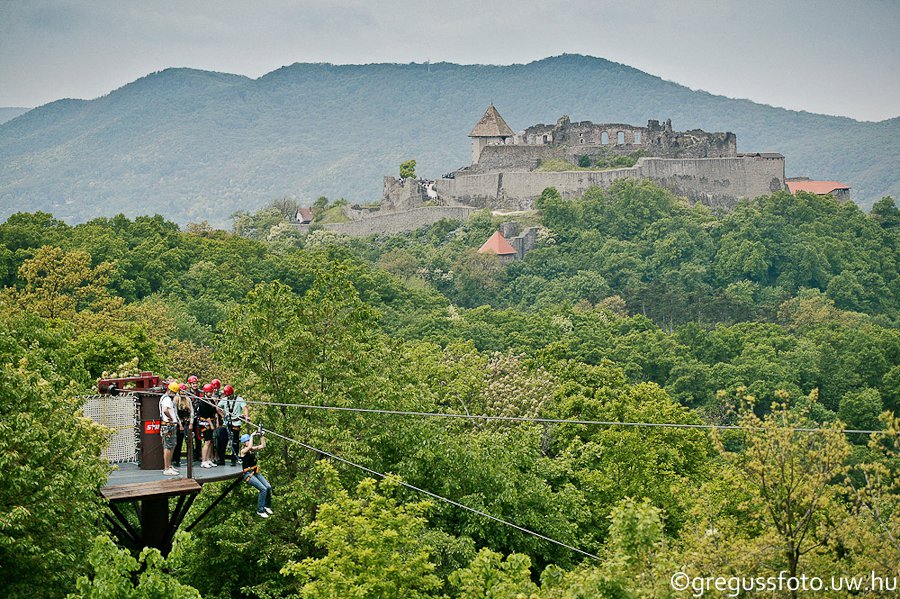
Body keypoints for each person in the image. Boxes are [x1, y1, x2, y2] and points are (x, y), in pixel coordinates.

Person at [240, 432, 273, 518]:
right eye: (247, 441)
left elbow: (263, 446)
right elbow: (249, 447)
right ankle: (260, 510)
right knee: (263, 489)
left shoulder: (252, 450)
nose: (249, 442)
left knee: (268, 487)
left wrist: (262, 436)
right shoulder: (243, 451)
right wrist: (252, 435)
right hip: (248, 474)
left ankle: (267, 506)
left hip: (255, 472)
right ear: (244, 443)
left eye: (249, 440)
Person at [216, 384, 249, 466]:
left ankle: (234, 460)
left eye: (230, 395)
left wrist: (246, 416)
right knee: (222, 440)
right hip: (227, 422)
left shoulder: (239, 399)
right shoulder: (224, 400)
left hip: (236, 422)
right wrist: (222, 415)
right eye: (227, 395)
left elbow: (245, 408)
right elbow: (217, 407)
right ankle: (221, 459)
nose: (229, 396)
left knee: (235, 442)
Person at [159, 381, 181, 476]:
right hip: (168, 425)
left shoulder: (165, 398)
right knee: (168, 447)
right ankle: (166, 468)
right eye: (174, 393)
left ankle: (169, 465)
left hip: (170, 425)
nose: (175, 395)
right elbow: (165, 410)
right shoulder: (167, 399)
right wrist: (171, 418)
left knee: (172, 445)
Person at [196, 383, 219, 468]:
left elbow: (214, 411)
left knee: (210, 442)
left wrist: (216, 421)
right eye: (209, 392)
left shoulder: (211, 400)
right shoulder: (203, 402)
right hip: (205, 423)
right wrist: (211, 425)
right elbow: (206, 415)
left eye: (211, 392)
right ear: (205, 392)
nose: (210, 393)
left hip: (211, 421)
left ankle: (208, 459)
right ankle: (203, 461)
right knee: (207, 442)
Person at [172, 384, 194, 468]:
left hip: (187, 422)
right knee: (178, 442)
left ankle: (190, 460)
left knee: (189, 441)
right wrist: (179, 424)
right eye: (182, 391)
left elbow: (192, 412)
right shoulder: (176, 399)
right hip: (179, 423)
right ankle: (176, 460)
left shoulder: (188, 399)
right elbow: (175, 412)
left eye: (184, 392)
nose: (183, 393)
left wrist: (191, 423)